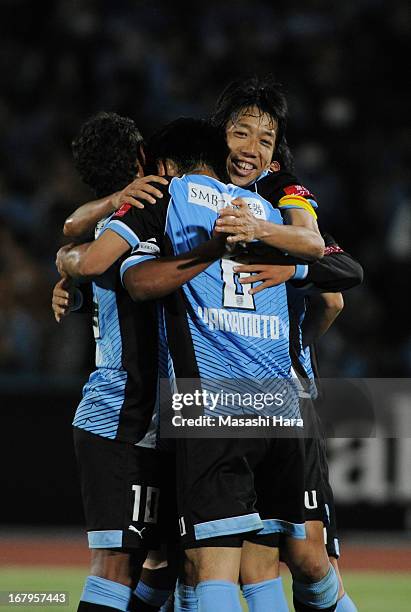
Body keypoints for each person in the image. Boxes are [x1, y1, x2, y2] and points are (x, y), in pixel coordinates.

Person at [55, 111, 176, 612]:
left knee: (165, 563)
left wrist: (68, 268)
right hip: (120, 420)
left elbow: (71, 235)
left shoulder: (108, 230)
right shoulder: (134, 228)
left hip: (157, 418)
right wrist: (70, 265)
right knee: (115, 569)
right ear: (141, 159)